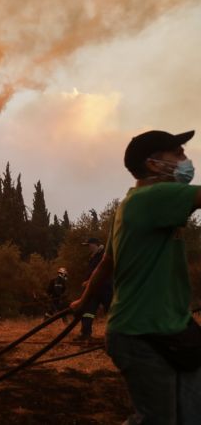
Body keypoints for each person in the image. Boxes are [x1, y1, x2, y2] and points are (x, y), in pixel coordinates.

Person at [71, 129, 201, 424]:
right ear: (154, 164)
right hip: (143, 334)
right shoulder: (155, 196)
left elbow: (107, 262)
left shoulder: (129, 203)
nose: (185, 159)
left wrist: (82, 301)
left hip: (170, 329)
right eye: (178, 153)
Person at [75, 237, 113, 342]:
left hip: (105, 289)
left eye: (89, 245)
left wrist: (89, 282)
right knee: (88, 311)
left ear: (95, 244)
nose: (88, 248)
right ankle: (85, 334)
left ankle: (119, 336)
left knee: (113, 311)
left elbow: (103, 271)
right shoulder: (93, 257)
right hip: (93, 290)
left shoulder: (104, 255)